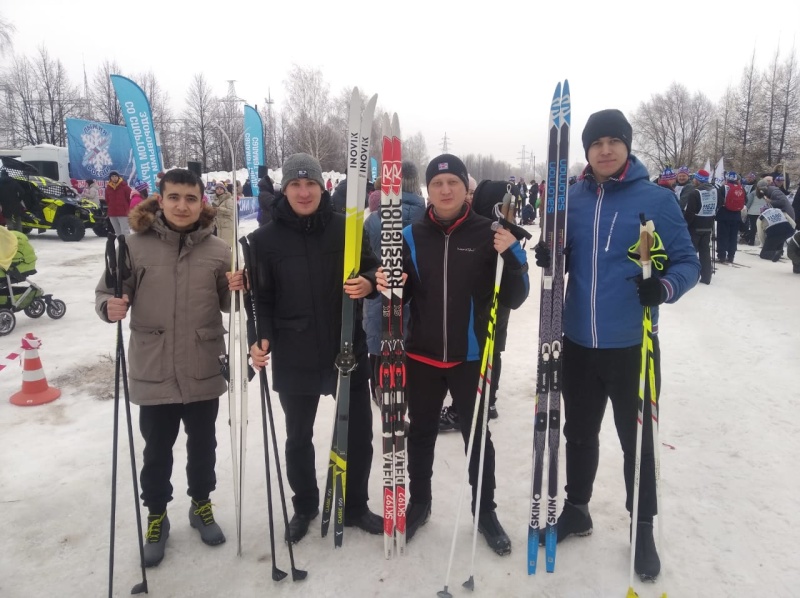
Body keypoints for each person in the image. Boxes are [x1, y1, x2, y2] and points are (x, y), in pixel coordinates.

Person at [536, 109, 699, 581]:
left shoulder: (657, 200)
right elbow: (559, 252)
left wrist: (664, 287)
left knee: (637, 442)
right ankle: (577, 508)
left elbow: (687, 262)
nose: (605, 149)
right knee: (579, 432)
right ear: (585, 151)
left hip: (632, 345)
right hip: (577, 343)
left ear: (627, 145)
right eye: (596, 142)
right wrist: (550, 254)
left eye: (614, 141)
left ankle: (642, 525)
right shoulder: (572, 200)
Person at [378, 154, 530, 556]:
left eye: (453, 183)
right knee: (422, 433)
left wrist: (514, 257)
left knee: (477, 436)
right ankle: (420, 504)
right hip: (422, 355)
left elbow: (515, 298)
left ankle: (486, 512)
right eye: (437, 183)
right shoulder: (411, 234)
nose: (445, 190)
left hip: (472, 356)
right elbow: (405, 294)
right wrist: (388, 283)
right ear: (428, 189)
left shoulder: (491, 232)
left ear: (466, 189)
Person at [95, 168, 244, 568]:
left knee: (203, 446)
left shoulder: (218, 250)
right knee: (156, 450)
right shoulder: (133, 246)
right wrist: (109, 307)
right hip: (154, 366)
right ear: (159, 200)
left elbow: (228, 305)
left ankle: (201, 505)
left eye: (191, 198)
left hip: (202, 365)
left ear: (202, 203)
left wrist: (237, 289)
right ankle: (156, 516)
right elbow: (108, 291)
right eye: (174, 197)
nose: (182, 206)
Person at [248, 153, 383, 545]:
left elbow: (373, 268)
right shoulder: (264, 240)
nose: (303, 192)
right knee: (298, 436)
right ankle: (305, 504)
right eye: (295, 184)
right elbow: (260, 300)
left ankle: (355, 504)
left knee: (359, 433)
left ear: (323, 187)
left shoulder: (348, 229)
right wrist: (259, 338)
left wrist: (370, 284)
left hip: (347, 349)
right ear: (284, 189)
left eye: (310, 184)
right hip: (295, 352)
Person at [363, 161, 426, 405]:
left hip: (379, 306)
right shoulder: (428, 219)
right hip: (419, 309)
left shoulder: (374, 220)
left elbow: (364, 264)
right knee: (411, 364)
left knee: (381, 359)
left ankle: (382, 399)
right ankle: (408, 405)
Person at [683, 169, 716, 284]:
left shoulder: (695, 193)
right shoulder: (715, 191)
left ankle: (690, 276)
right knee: (705, 252)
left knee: (691, 253)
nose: (693, 180)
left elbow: (690, 212)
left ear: (698, 180)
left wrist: (685, 225)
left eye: (695, 178)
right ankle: (707, 277)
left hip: (695, 227)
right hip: (708, 225)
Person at [757, 179, 796, 261]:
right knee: (780, 234)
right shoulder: (771, 192)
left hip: (786, 215)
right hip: (783, 216)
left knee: (778, 232)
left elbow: (782, 202)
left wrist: (770, 201)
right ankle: (778, 251)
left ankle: (775, 252)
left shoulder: (775, 192)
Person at [716, 171, 746, 264]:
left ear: (727, 179)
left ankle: (721, 255)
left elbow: (719, 201)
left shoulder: (723, 188)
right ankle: (731, 256)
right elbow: (745, 201)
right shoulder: (741, 188)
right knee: (733, 237)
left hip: (724, 215)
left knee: (722, 236)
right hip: (736, 215)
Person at [105, 171, 132, 236]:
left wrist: (127, 208)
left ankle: (127, 245)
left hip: (123, 213)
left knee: (125, 231)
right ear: (110, 178)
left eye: (115, 176)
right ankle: (121, 245)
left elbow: (130, 199)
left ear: (118, 177)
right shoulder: (108, 188)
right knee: (117, 232)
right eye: (112, 176)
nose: (114, 178)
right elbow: (107, 200)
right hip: (112, 213)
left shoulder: (125, 187)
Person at [211, 181, 234, 247]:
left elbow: (231, 211)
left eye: (221, 189)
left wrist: (219, 209)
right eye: (217, 189)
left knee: (225, 246)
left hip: (226, 226)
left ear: (224, 190)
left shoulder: (228, 199)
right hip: (217, 226)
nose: (219, 190)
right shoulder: (215, 199)